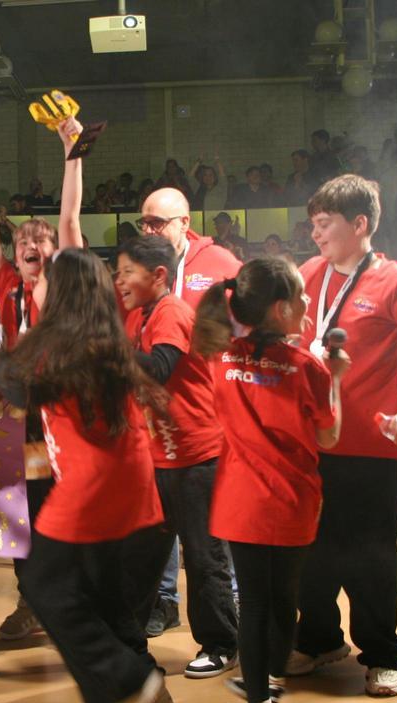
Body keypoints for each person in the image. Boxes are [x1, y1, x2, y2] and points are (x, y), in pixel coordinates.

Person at [0, 248, 175, 703]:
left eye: (42, 279)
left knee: (44, 585)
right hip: (128, 478)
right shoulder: (100, 337)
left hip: (91, 484)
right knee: (102, 591)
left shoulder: (58, 343)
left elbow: (16, 388)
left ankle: (129, 682)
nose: (32, 282)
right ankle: (137, 697)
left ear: (59, 293)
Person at [290, 175, 397, 698]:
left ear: (359, 224)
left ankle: (383, 653)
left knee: (369, 554)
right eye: (314, 224)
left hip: (369, 446)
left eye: (325, 224)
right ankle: (319, 639)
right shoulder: (308, 275)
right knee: (310, 550)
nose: (315, 234)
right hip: (311, 445)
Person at [193, 256, 345, 703]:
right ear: (281, 309)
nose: (306, 306)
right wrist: (337, 378)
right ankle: (269, 692)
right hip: (293, 501)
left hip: (239, 501)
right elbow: (329, 434)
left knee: (253, 605)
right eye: (301, 298)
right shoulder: (309, 367)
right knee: (283, 602)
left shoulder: (221, 359)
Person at [0, 116, 85, 639]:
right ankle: (32, 601)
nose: (31, 244)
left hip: (68, 412)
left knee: (70, 505)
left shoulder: (67, 280)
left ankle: (75, 602)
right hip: (25, 417)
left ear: (54, 249)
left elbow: (72, 216)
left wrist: (71, 151)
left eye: (41, 239)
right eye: (23, 241)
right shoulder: (6, 284)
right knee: (29, 507)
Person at [114, 235, 239, 677]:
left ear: (159, 275)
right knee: (142, 555)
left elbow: (159, 368)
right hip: (157, 455)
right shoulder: (137, 316)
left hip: (197, 454)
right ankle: (128, 642)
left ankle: (221, 642)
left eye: (128, 271)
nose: (120, 279)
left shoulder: (171, 312)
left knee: (204, 557)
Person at [136, 187, 241, 630]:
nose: (149, 230)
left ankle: (225, 618)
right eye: (144, 222)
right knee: (158, 527)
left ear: (184, 222)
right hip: (155, 423)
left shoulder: (219, 264)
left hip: (208, 418)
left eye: (157, 222)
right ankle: (163, 603)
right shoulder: (144, 270)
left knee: (206, 536)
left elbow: (249, 328)